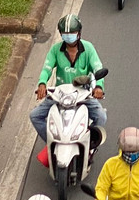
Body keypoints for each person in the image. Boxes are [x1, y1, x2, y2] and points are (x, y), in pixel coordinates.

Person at [30, 15, 106, 144]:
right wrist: (42, 83)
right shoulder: (55, 50)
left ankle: (90, 143)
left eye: (72, 32)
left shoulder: (88, 48)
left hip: (83, 94)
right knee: (35, 116)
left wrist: (99, 86)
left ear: (79, 33)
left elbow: (98, 68)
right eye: (65, 33)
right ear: (60, 34)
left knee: (101, 116)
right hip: (60, 94)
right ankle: (52, 143)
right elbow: (46, 69)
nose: (68, 35)